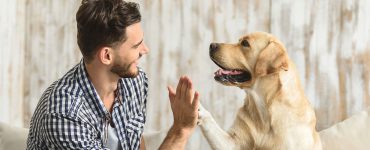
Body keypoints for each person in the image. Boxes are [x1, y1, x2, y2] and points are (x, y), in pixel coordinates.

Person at [26, 0, 200, 149]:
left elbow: (136, 143)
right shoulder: (64, 113)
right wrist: (180, 130)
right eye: (136, 45)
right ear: (107, 56)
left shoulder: (135, 83)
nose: (145, 50)